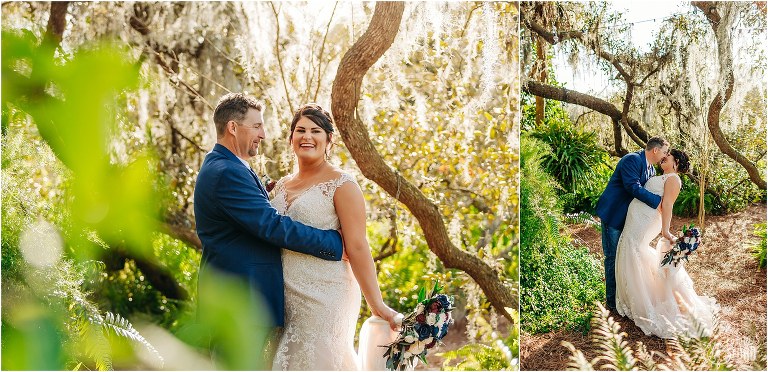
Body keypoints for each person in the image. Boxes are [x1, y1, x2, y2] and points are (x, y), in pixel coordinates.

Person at [194, 93, 345, 366]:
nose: (263, 134)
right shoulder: (227, 171)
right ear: (232, 127)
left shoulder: (228, 166)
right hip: (240, 300)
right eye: (257, 126)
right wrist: (333, 243)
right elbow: (271, 225)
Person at [270, 104, 399, 370]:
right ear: (291, 137)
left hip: (327, 294)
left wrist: (377, 304)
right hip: (284, 293)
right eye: (300, 130)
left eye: (315, 131)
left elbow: (358, 246)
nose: (307, 137)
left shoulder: (343, 184)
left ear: (330, 139)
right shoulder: (279, 186)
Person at [615, 149, 719, 338]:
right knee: (630, 248)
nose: (664, 157)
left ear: (676, 162)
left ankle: (643, 301)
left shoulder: (673, 179)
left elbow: (668, 205)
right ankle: (637, 297)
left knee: (633, 248)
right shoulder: (659, 175)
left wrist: (665, 230)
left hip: (647, 220)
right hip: (637, 216)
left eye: (668, 156)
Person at [595, 137, 670, 312]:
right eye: (665, 152)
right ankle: (612, 303)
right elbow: (632, 187)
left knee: (624, 258)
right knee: (612, 258)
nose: (665, 156)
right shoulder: (632, 159)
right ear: (655, 150)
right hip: (613, 214)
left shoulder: (651, 169)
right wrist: (657, 201)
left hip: (629, 220)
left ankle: (623, 297)